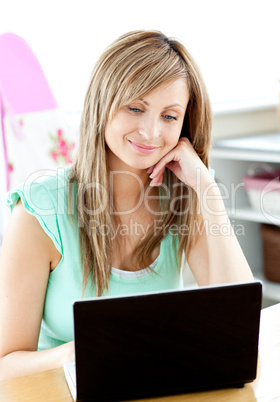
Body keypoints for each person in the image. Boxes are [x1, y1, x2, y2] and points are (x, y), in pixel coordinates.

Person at [0, 30, 253, 380]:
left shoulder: (181, 197)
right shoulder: (40, 210)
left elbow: (238, 324)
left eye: (169, 116)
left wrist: (207, 190)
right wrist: (84, 351)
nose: (151, 132)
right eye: (135, 108)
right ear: (102, 105)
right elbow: (6, 363)